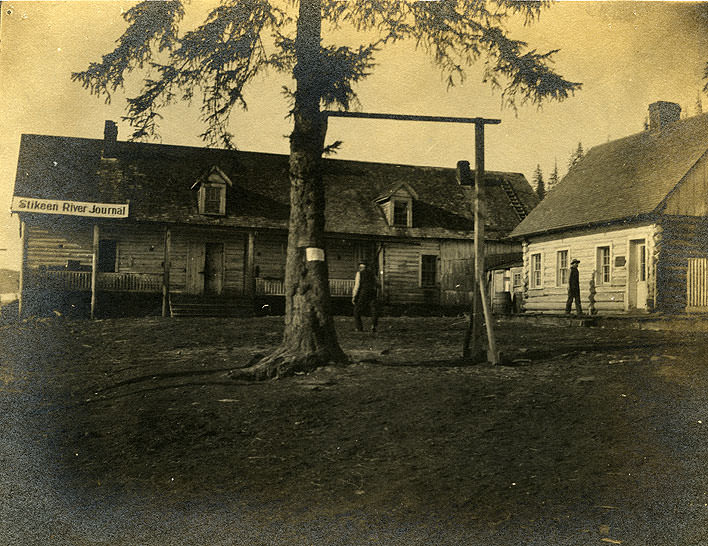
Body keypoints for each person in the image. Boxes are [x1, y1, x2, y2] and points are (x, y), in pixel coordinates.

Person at [352, 261, 378, 332]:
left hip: (363, 293)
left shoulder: (359, 274)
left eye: (360, 267)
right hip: (372, 293)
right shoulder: (372, 274)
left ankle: (359, 327)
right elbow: (377, 284)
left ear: (361, 267)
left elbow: (357, 286)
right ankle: (373, 325)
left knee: (356, 310)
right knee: (373, 310)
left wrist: (354, 296)